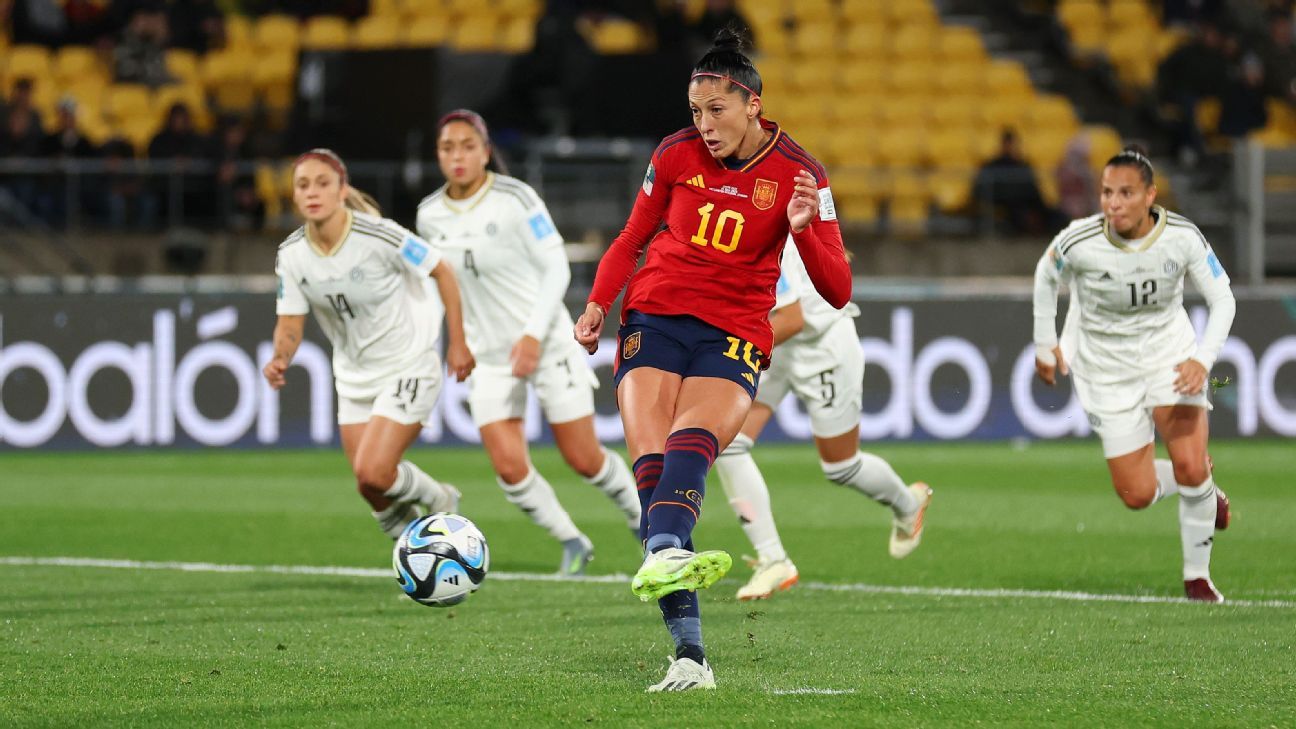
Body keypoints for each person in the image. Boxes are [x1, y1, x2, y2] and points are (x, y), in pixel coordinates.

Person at [574, 29, 852, 691]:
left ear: (752, 104)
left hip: (734, 331)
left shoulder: (802, 175)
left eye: (716, 111)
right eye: (695, 112)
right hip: (655, 317)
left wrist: (807, 231)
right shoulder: (673, 154)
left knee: (689, 453)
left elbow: (837, 289)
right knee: (655, 476)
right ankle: (692, 657)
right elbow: (631, 238)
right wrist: (596, 303)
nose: (703, 125)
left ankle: (670, 570)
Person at [416, 109, 641, 576]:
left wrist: (534, 335)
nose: (457, 157)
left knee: (583, 458)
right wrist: (454, 341)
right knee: (509, 469)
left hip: (546, 342)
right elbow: (442, 285)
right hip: (488, 355)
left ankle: (643, 521)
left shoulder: (516, 198)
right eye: (447, 148)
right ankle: (572, 541)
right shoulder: (429, 215)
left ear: (485, 150)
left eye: (467, 146)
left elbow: (556, 267)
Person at [1033, 144, 1234, 603]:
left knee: (1188, 462)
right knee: (1137, 493)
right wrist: (1046, 344)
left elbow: (1224, 299)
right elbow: (1047, 276)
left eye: (1125, 193)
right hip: (1106, 371)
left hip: (1170, 357)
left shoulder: (1182, 236)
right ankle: (1206, 491)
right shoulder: (1079, 240)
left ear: (1150, 196)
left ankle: (1197, 578)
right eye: (1107, 192)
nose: (1113, 203)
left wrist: (1202, 360)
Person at [263, 148, 474, 543]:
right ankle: (417, 555)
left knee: (374, 471)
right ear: (293, 195)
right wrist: (280, 357)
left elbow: (441, 270)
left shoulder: (378, 235)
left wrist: (458, 342)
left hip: (408, 363)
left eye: (322, 183)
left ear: (342, 190)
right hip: (354, 377)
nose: (312, 192)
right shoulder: (291, 255)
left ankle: (441, 498)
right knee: (370, 487)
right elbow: (290, 321)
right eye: (303, 185)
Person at [713, 238, 932, 601]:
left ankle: (909, 505)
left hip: (821, 346)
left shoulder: (767, 234)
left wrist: (727, 348)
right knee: (728, 442)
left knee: (841, 467)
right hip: (775, 343)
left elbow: (792, 318)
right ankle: (773, 559)